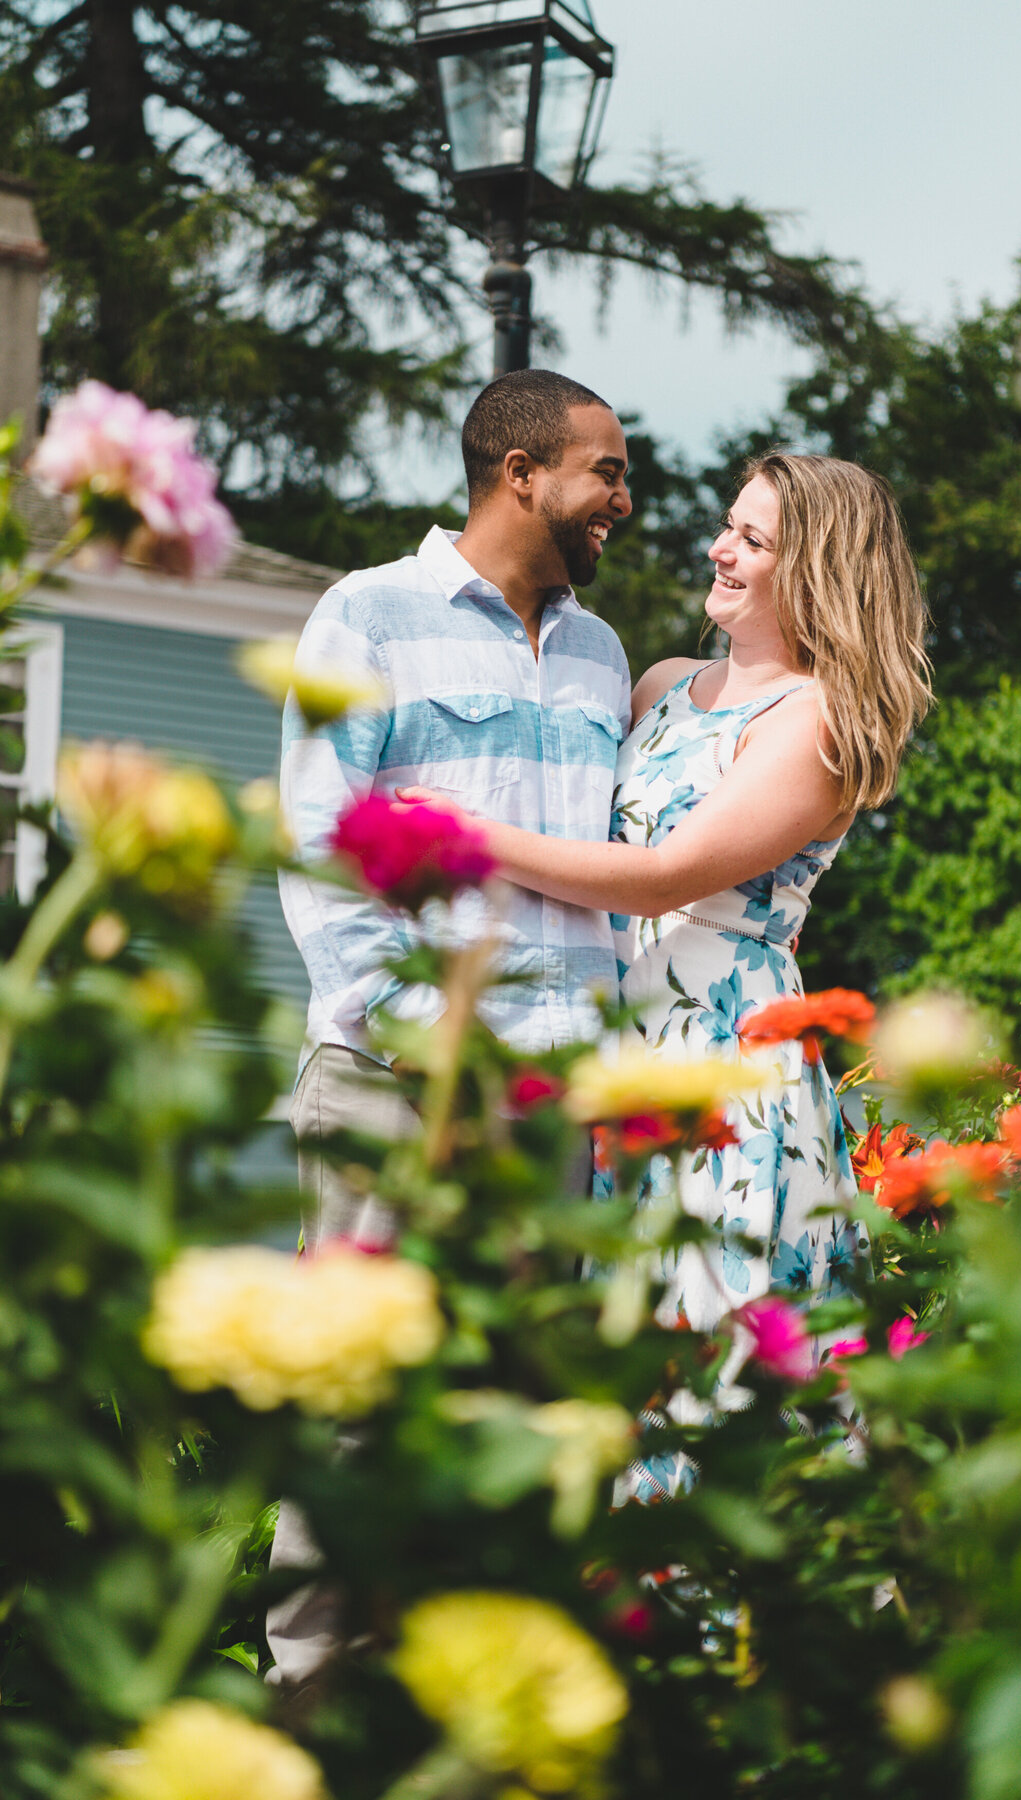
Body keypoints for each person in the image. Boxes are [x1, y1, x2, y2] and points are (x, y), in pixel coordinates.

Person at [396, 451, 933, 1499]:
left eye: (754, 540)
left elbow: (660, 878)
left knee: (713, 1350)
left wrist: (469, 835)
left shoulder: (815, 721)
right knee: (621, 1345)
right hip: (623, 1054)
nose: (719, 549)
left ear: (815, 571)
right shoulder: (660, 689)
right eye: (729, 526)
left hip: (725, 1068)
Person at [268, 369, 633, 1689]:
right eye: (608, 469)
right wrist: (416, 1033)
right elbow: (320, 847)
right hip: (394, 1082)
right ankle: (309, 1716)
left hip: (553, 1105)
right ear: (521, 471)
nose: (625, 499)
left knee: (522, 1427)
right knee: (354, 1419)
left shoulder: (599, 654)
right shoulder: (367, 614)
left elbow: (610, 874)